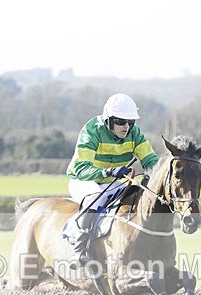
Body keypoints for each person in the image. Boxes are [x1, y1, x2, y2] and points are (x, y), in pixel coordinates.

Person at [66, 93, 159, 265]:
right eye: (120, 122)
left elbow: (151, 161)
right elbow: (81, 169)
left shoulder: (134, 133)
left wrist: (158, 174)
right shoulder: (91, 131)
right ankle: (78, 251)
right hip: (85, 180)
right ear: (108, 120)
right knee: (96, 198)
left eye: (131, 122)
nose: (126, 127)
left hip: (114, 180)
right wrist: (109, 171)